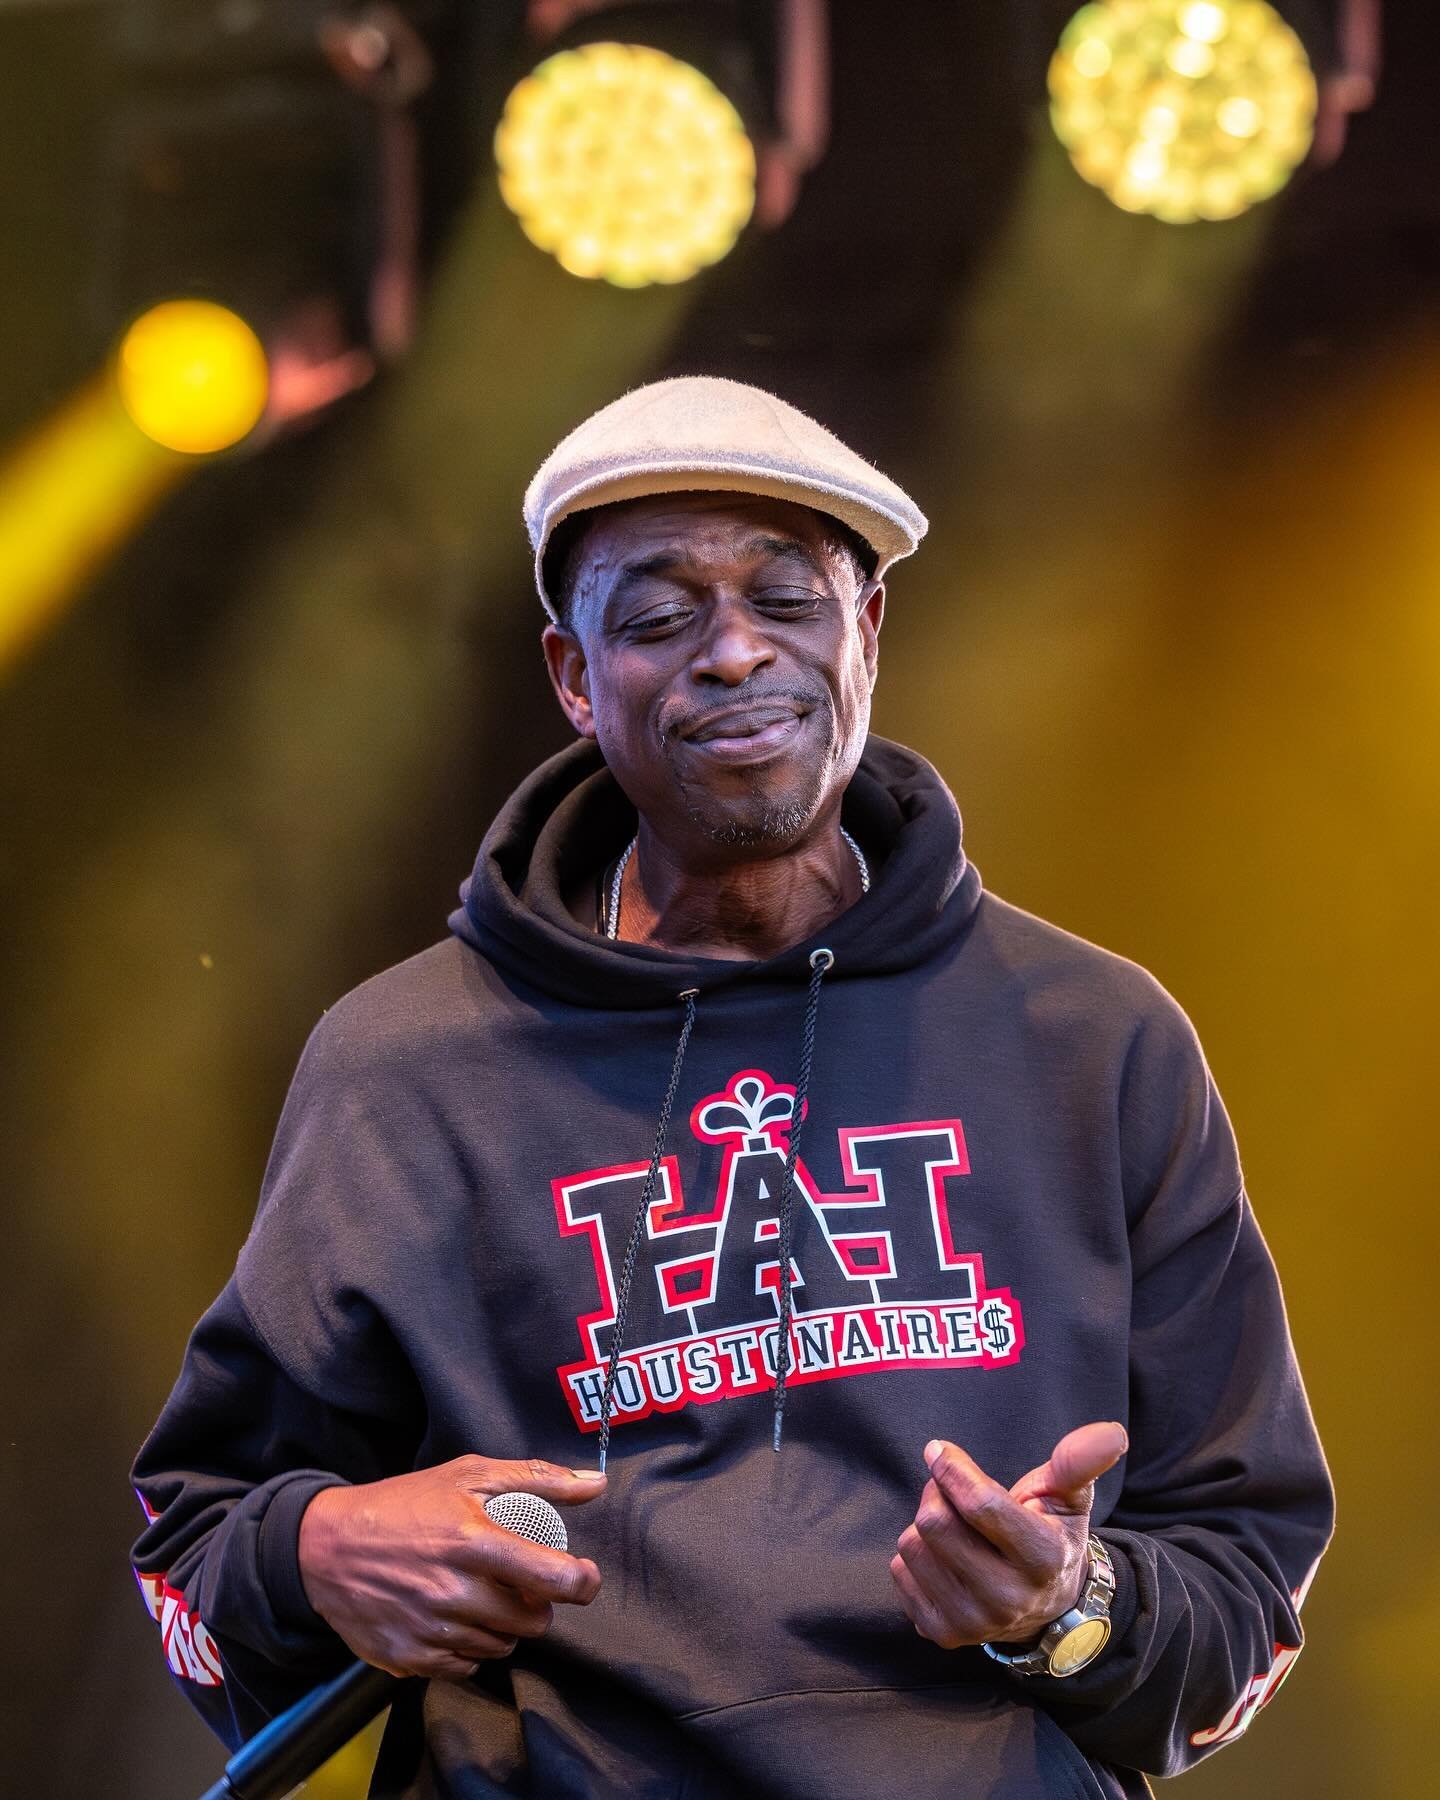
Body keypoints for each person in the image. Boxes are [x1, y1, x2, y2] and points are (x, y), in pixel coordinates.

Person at [132, 376, 1334, 1800]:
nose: (734, 653)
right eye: (657, 619)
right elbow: (195, 1570)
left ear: (868, 634)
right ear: (574, 677)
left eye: (790, 600)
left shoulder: (1095, 1037)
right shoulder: (405, 1064)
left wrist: (1064, 1609)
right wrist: (317, 1551)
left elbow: (1243, 1587)